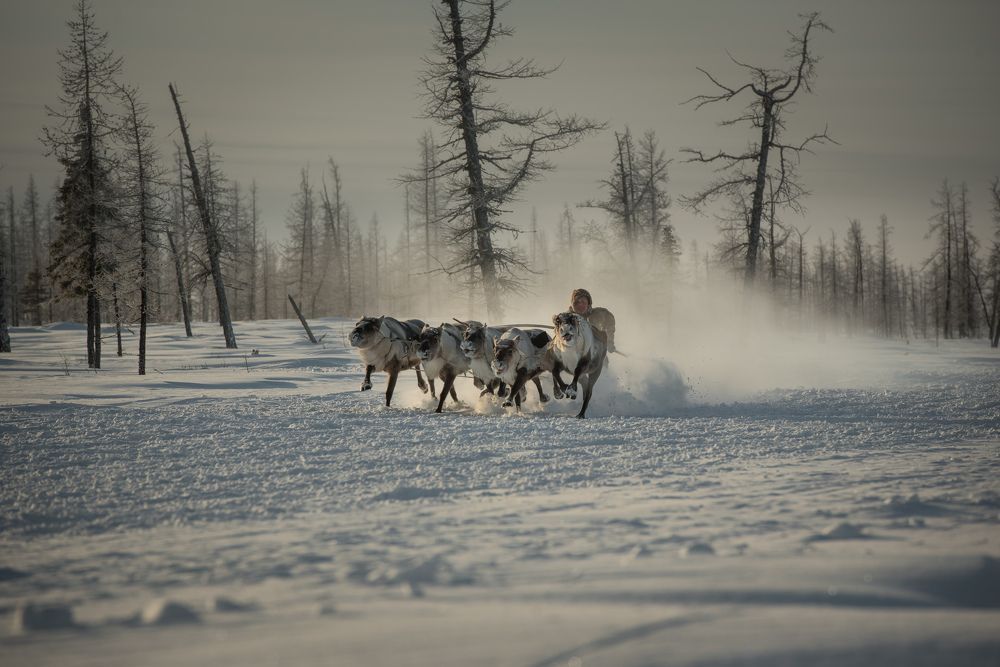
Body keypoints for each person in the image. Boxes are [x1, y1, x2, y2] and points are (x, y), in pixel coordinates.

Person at [569, 288, 616, 354]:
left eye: (583, 302)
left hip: (596, 353)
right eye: (577, 302)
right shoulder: (567, 318)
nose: (580, 305)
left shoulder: (598, 314)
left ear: (588, 304)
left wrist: (609, 342)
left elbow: (609, 322)